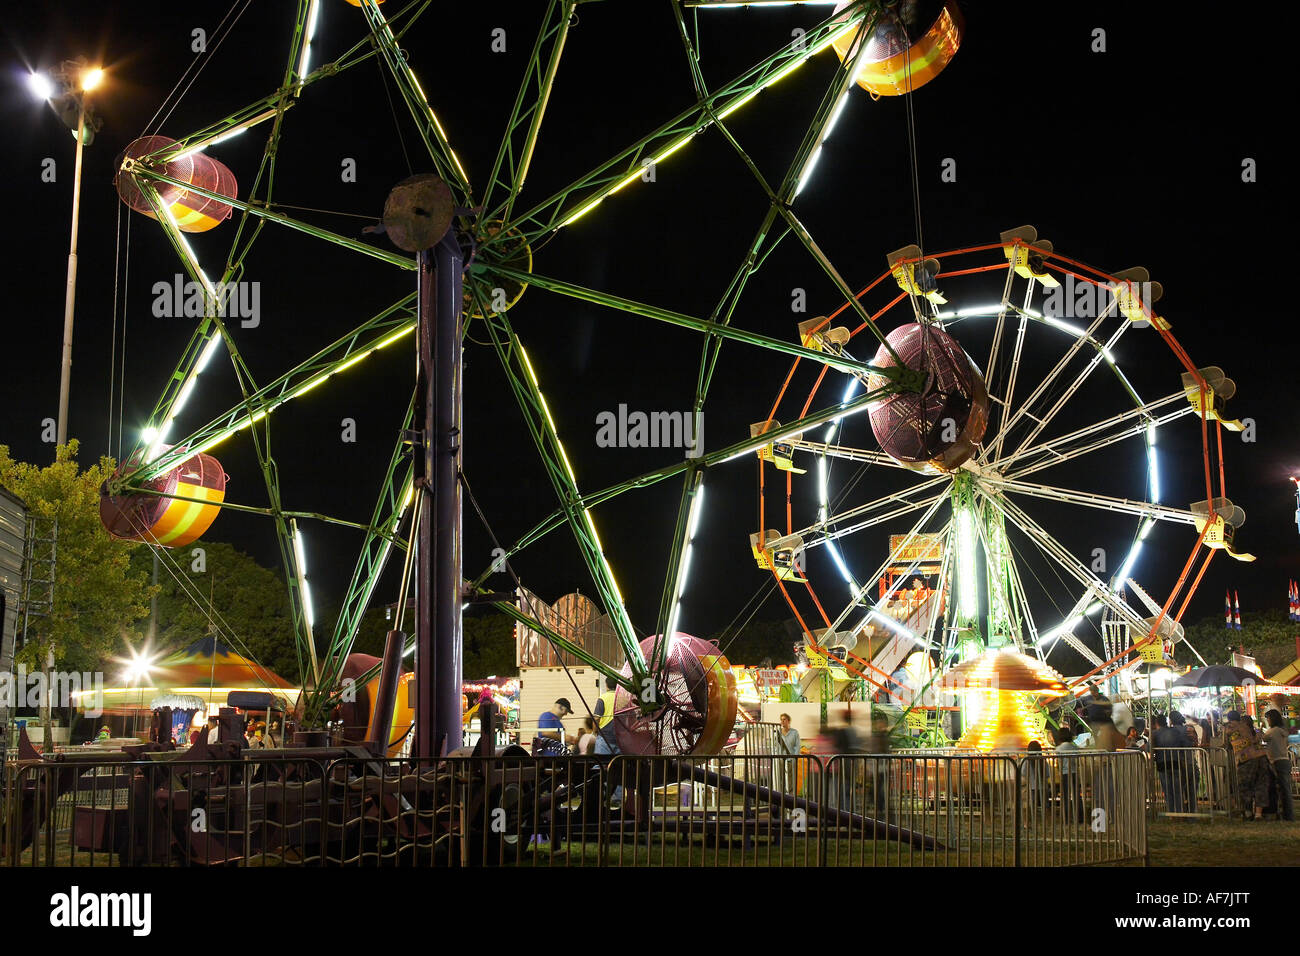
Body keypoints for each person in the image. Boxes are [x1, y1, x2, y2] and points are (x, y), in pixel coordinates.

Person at [1222, 710, 1271, 821]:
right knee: (1261, 785)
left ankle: (1248, 813)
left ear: (1229, 719)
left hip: (1245, 760)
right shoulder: (1245, 726)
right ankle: (1258, 814)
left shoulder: (1228, 729)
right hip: (1260, 757)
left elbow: (1227, 745)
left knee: (1245, 787)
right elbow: (1254, 740)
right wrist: (1258, 733)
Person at [1262, 710, 1295, 821]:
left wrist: (1261, 727)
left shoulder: (1273, 731)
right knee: (1285, 789)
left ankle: (1287, 816)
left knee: (1282, 790)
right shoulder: (1282, 731)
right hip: (1284, 760)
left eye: (1268, 718)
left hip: (1277, 761)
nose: (1267, 720)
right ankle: (1287, 814)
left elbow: (1263, 738)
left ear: (1272, 719)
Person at [1055, 726, 1082, 822]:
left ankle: (1066, 817)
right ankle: (1079, 817)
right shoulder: (1074, 748)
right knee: (1076, 794)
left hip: (1064, 773)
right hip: (1074, 772)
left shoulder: (1058, 748)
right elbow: (1077, 761)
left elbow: (1058, 763)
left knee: (1065, 795)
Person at [777, 713, 801, 795]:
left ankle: (790, 799)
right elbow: (775, 746)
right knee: (781, 779)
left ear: (788, 721)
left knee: (791, 780)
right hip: (780, 759)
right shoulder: (778, 733)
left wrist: (795, 758)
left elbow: (798, 746)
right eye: (781, 720)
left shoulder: (794, 733)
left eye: (784, 719)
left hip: (791, 759)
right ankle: (781, 797)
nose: (782, 721)